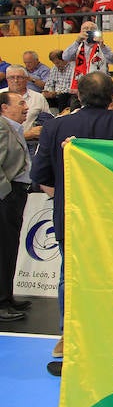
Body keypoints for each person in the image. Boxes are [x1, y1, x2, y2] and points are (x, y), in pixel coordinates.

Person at [31, 72, 113, 370]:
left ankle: (68, 336)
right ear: (111, 96)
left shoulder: (55, 126)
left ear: (78, 95)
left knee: (70, 277)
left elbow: (40, 177)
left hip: (72, 215)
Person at [0, 91, 31, 323]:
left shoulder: (13, 128)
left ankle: (7, 296)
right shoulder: (2, 127)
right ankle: (2, 302)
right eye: (20, 103)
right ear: (4, 108)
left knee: (10, 248)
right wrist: (5, 194)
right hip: (7, 197)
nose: (26, 106)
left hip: (14, 195)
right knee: (4, 249)